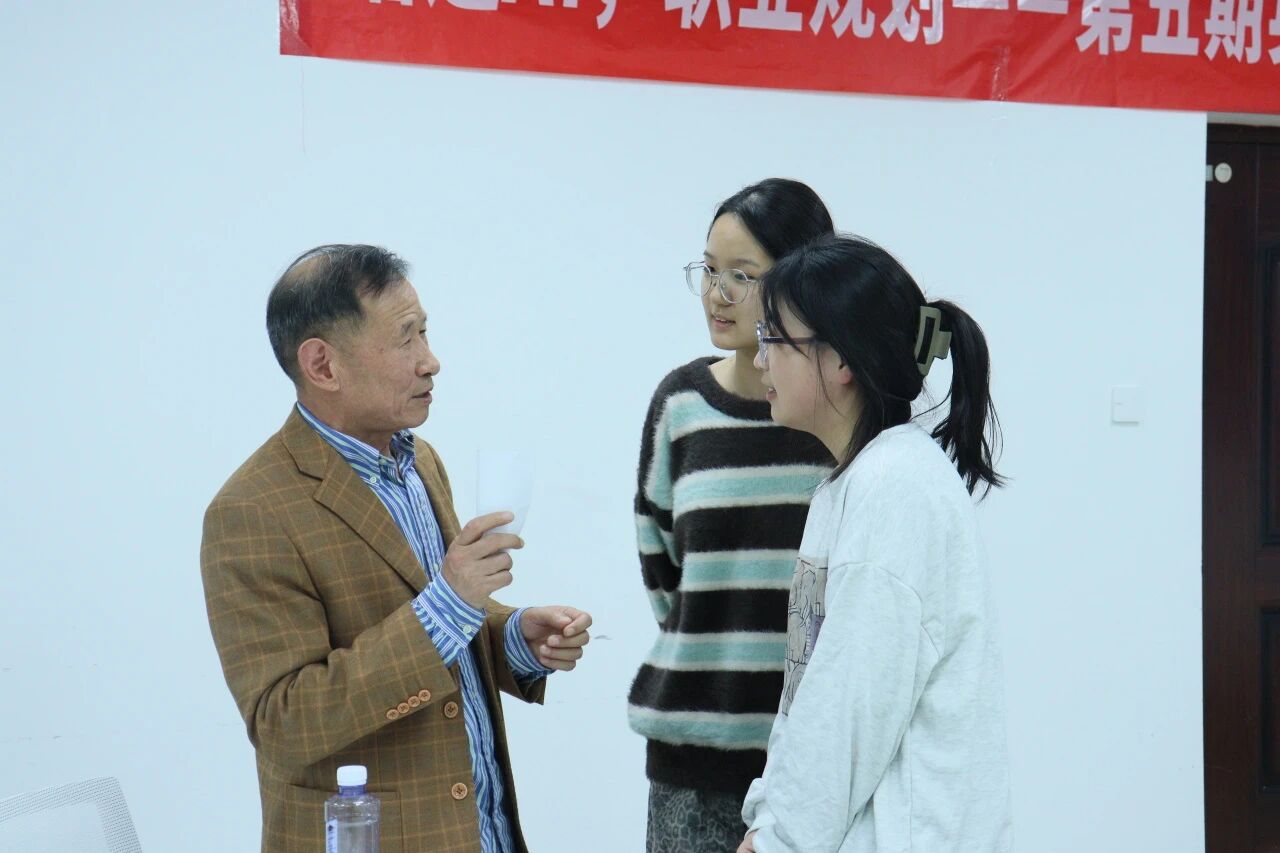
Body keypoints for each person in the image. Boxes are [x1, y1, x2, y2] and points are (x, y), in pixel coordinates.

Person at [200, 244, 592, 853]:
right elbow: (285, 723)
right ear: (323, 365)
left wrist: (511, 637)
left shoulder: (418, 462)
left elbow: (436, 622)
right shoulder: (251, 510)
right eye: (406, 338)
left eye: (425, 332)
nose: (431, 361)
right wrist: (451, 603)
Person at [738, 234, 1012, 852]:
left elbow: (847, 717)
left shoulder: (895, 489)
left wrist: (779, 841)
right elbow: (809, 698)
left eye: (773, 339)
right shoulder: (853, 484)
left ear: (841, 360)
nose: (759, 360)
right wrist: (768, 823)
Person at [627, 179, 836, 853]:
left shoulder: (835, 422)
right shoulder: (681, 405)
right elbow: (663, 574)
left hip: (813, 766)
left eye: (742, 276)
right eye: (709, 270)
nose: (717, 294)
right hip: (693, 764)